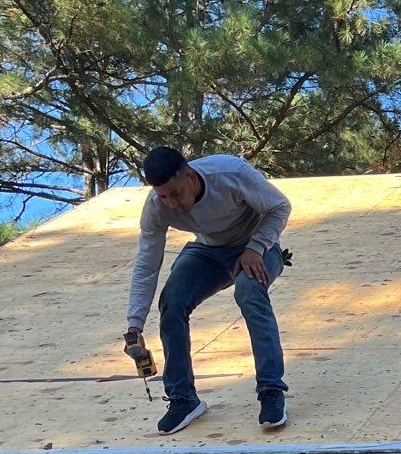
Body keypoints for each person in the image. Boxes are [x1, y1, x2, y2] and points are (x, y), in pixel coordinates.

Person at [124, 147, 293, 434]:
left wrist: (255, 247)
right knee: (173, 301)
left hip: (258, 245)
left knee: (249, 291)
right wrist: (134, 324)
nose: (171, 203)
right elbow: (147, 265)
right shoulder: (157, 205)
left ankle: (271, 390)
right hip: (208, 251)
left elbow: (280, 207)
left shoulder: (230, 174)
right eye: (163, 195)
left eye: (175, 193)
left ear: (190, 177)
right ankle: (183, 399)